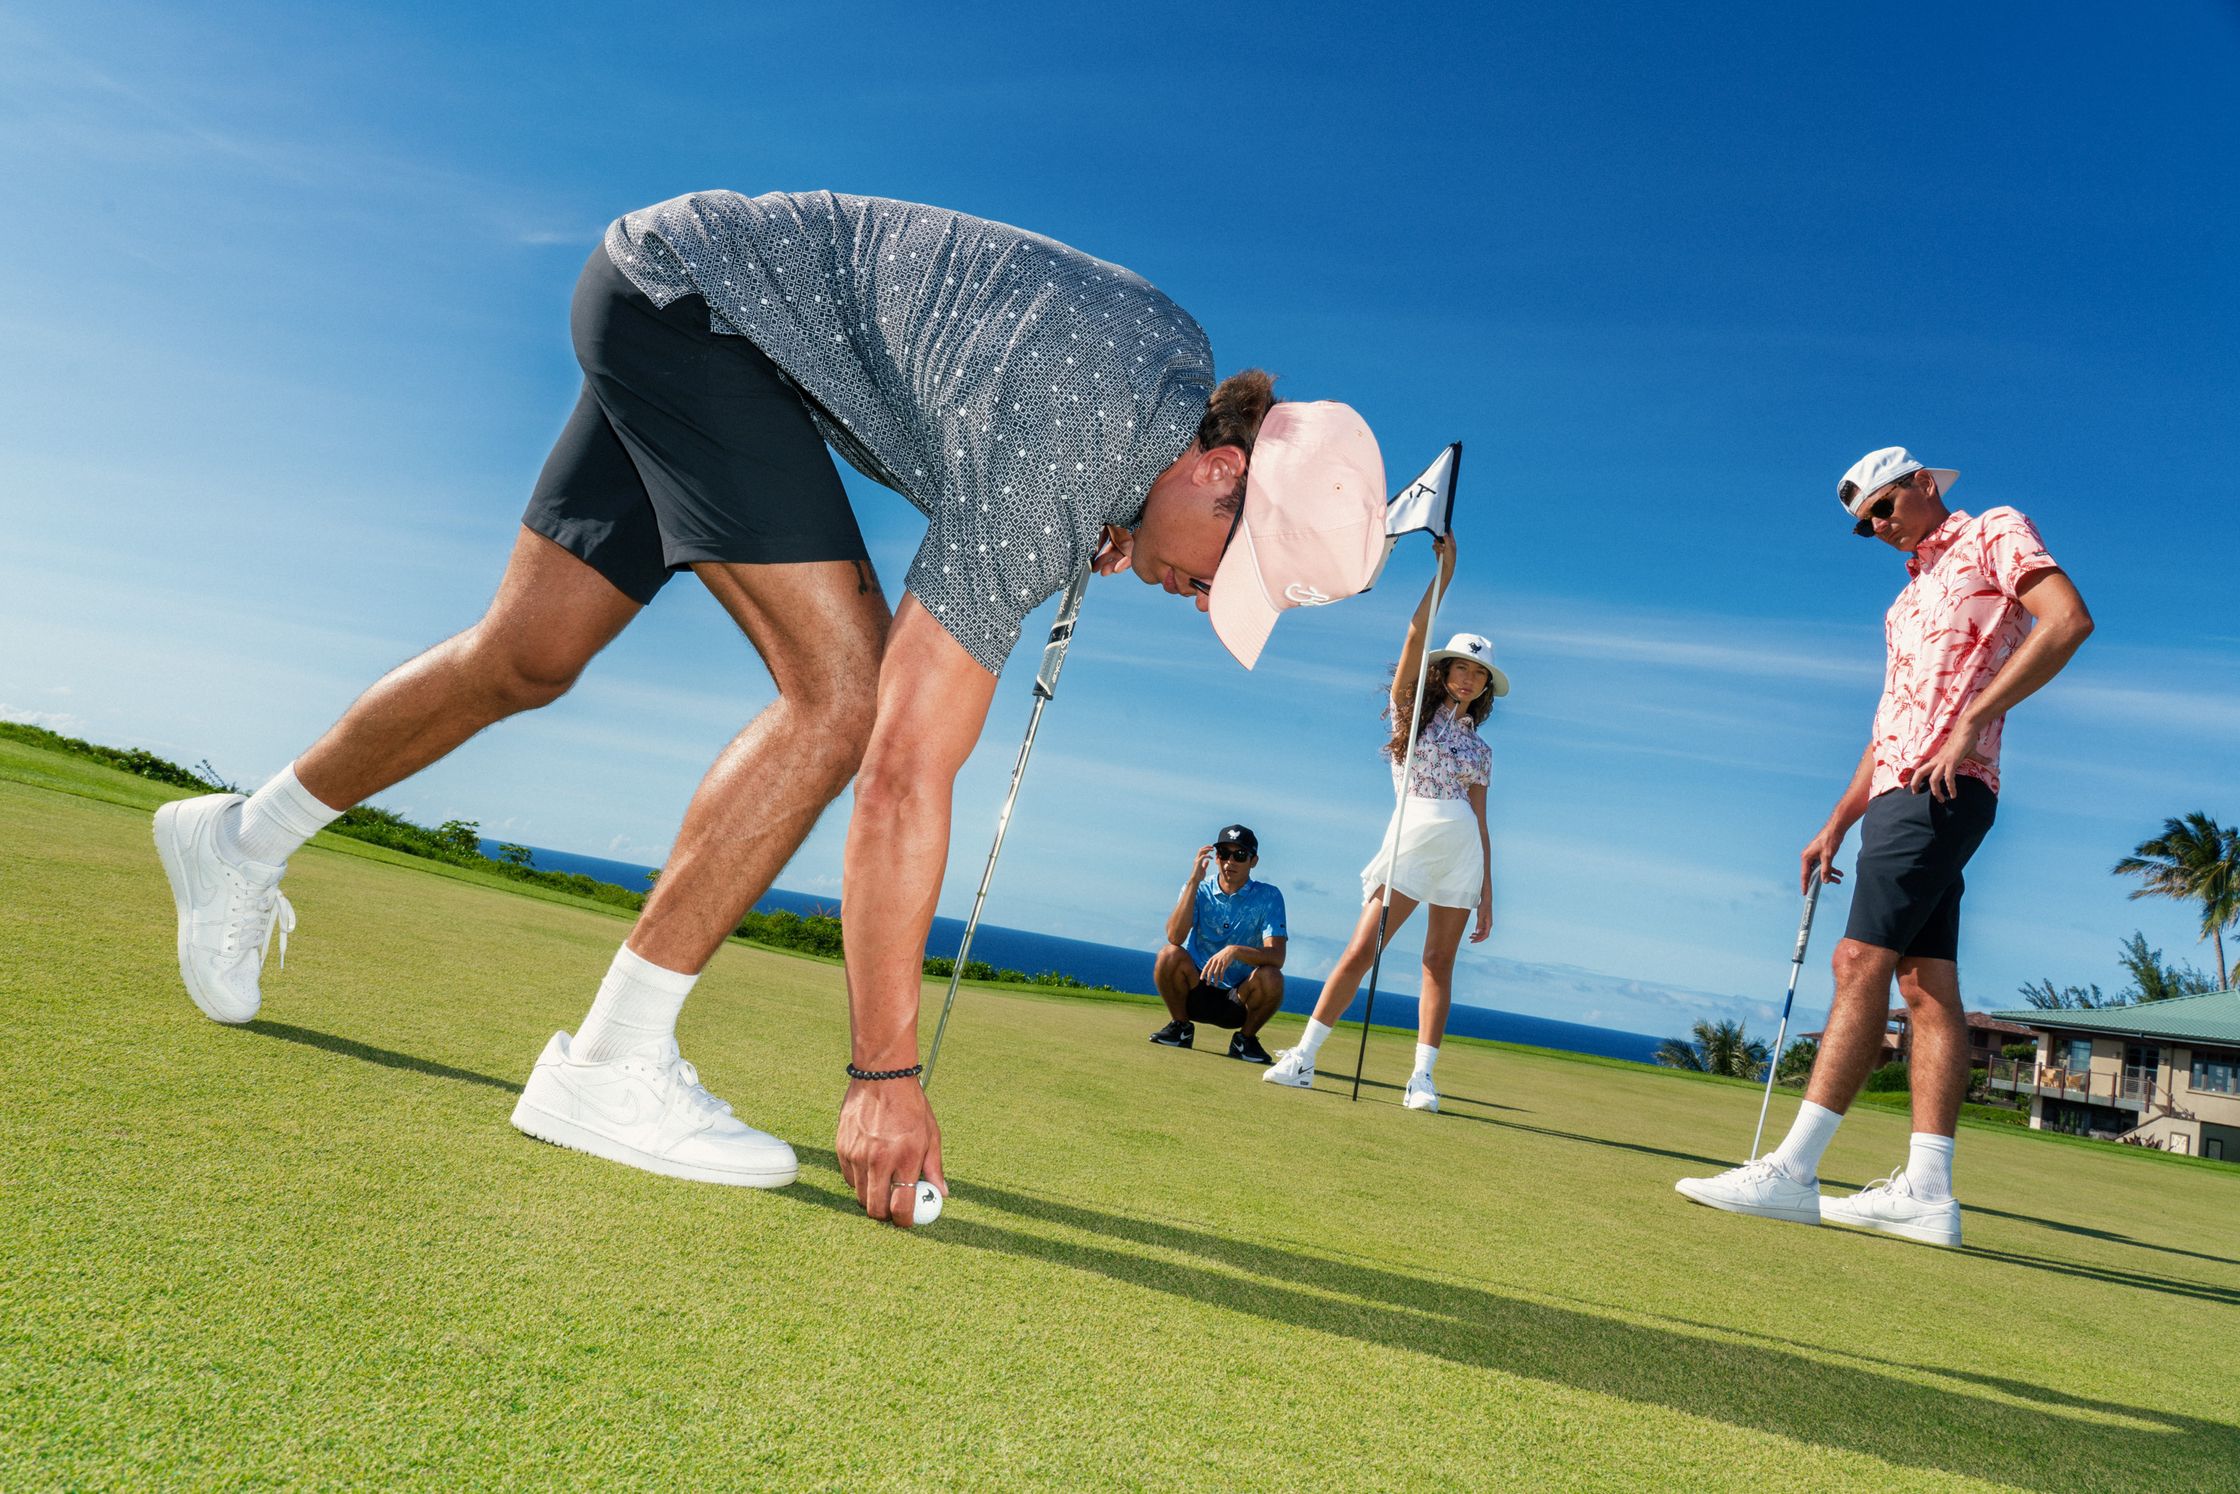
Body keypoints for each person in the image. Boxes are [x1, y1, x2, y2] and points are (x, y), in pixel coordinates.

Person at [152, 189, 1390, 1226]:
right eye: (1221, 573)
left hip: (674, 291)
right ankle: (609, 1064)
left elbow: (1006, 397)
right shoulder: (1072, 444)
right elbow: (907, 771)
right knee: (845, 701)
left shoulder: (1164, 381)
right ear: (1219, 469)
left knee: (526, 656)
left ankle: (234, 841)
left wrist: (1114, 518)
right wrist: (883, 1073)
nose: (1196, 597)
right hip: (702, 322)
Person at [1676, 446, 2092, 1246]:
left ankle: (1793, 1172)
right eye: (1864, 525)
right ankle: (1928, 1192)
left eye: (1883, 508)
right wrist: (1838, 818)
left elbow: (2068, 620)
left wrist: (1972, 720)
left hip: (1949, 784)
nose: (1877, 527)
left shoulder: (1995, 531)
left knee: (1856, 962)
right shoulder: (1903, 606)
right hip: (1901, 792)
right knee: (1926, 984)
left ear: (1922, 484)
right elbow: (1889, 722)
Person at [1263, 536, 1501, 1111]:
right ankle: (1304, 1057)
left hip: (1460, 851)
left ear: (1487, 686)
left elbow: (1480, 820)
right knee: (1362, 948)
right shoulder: (1411, 718)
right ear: (1443, 674)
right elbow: (1415, 638)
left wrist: (1488, 891)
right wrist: (1444, 574)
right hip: (1413, 839)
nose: (1467, 679)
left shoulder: (1483, 750)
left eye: (1478, 674)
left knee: (1438, 962)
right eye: (1459, 669)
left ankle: (1422, 1079)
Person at [1150, 824, 1288, 1064]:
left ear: (1253, 861)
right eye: (1223, 853)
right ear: (1216, 858)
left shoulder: (1269, 896)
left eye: (1240, 855)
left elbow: (1277, 957)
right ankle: (1180, 1027)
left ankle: (1245, 1040)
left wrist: (1235, 951)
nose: (1229, 862)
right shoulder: (1199, 888)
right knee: (1168, 955)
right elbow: (1175, 937)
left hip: (1238, 997)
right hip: (1196, 989)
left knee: (1272, 977)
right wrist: (1193, 882)